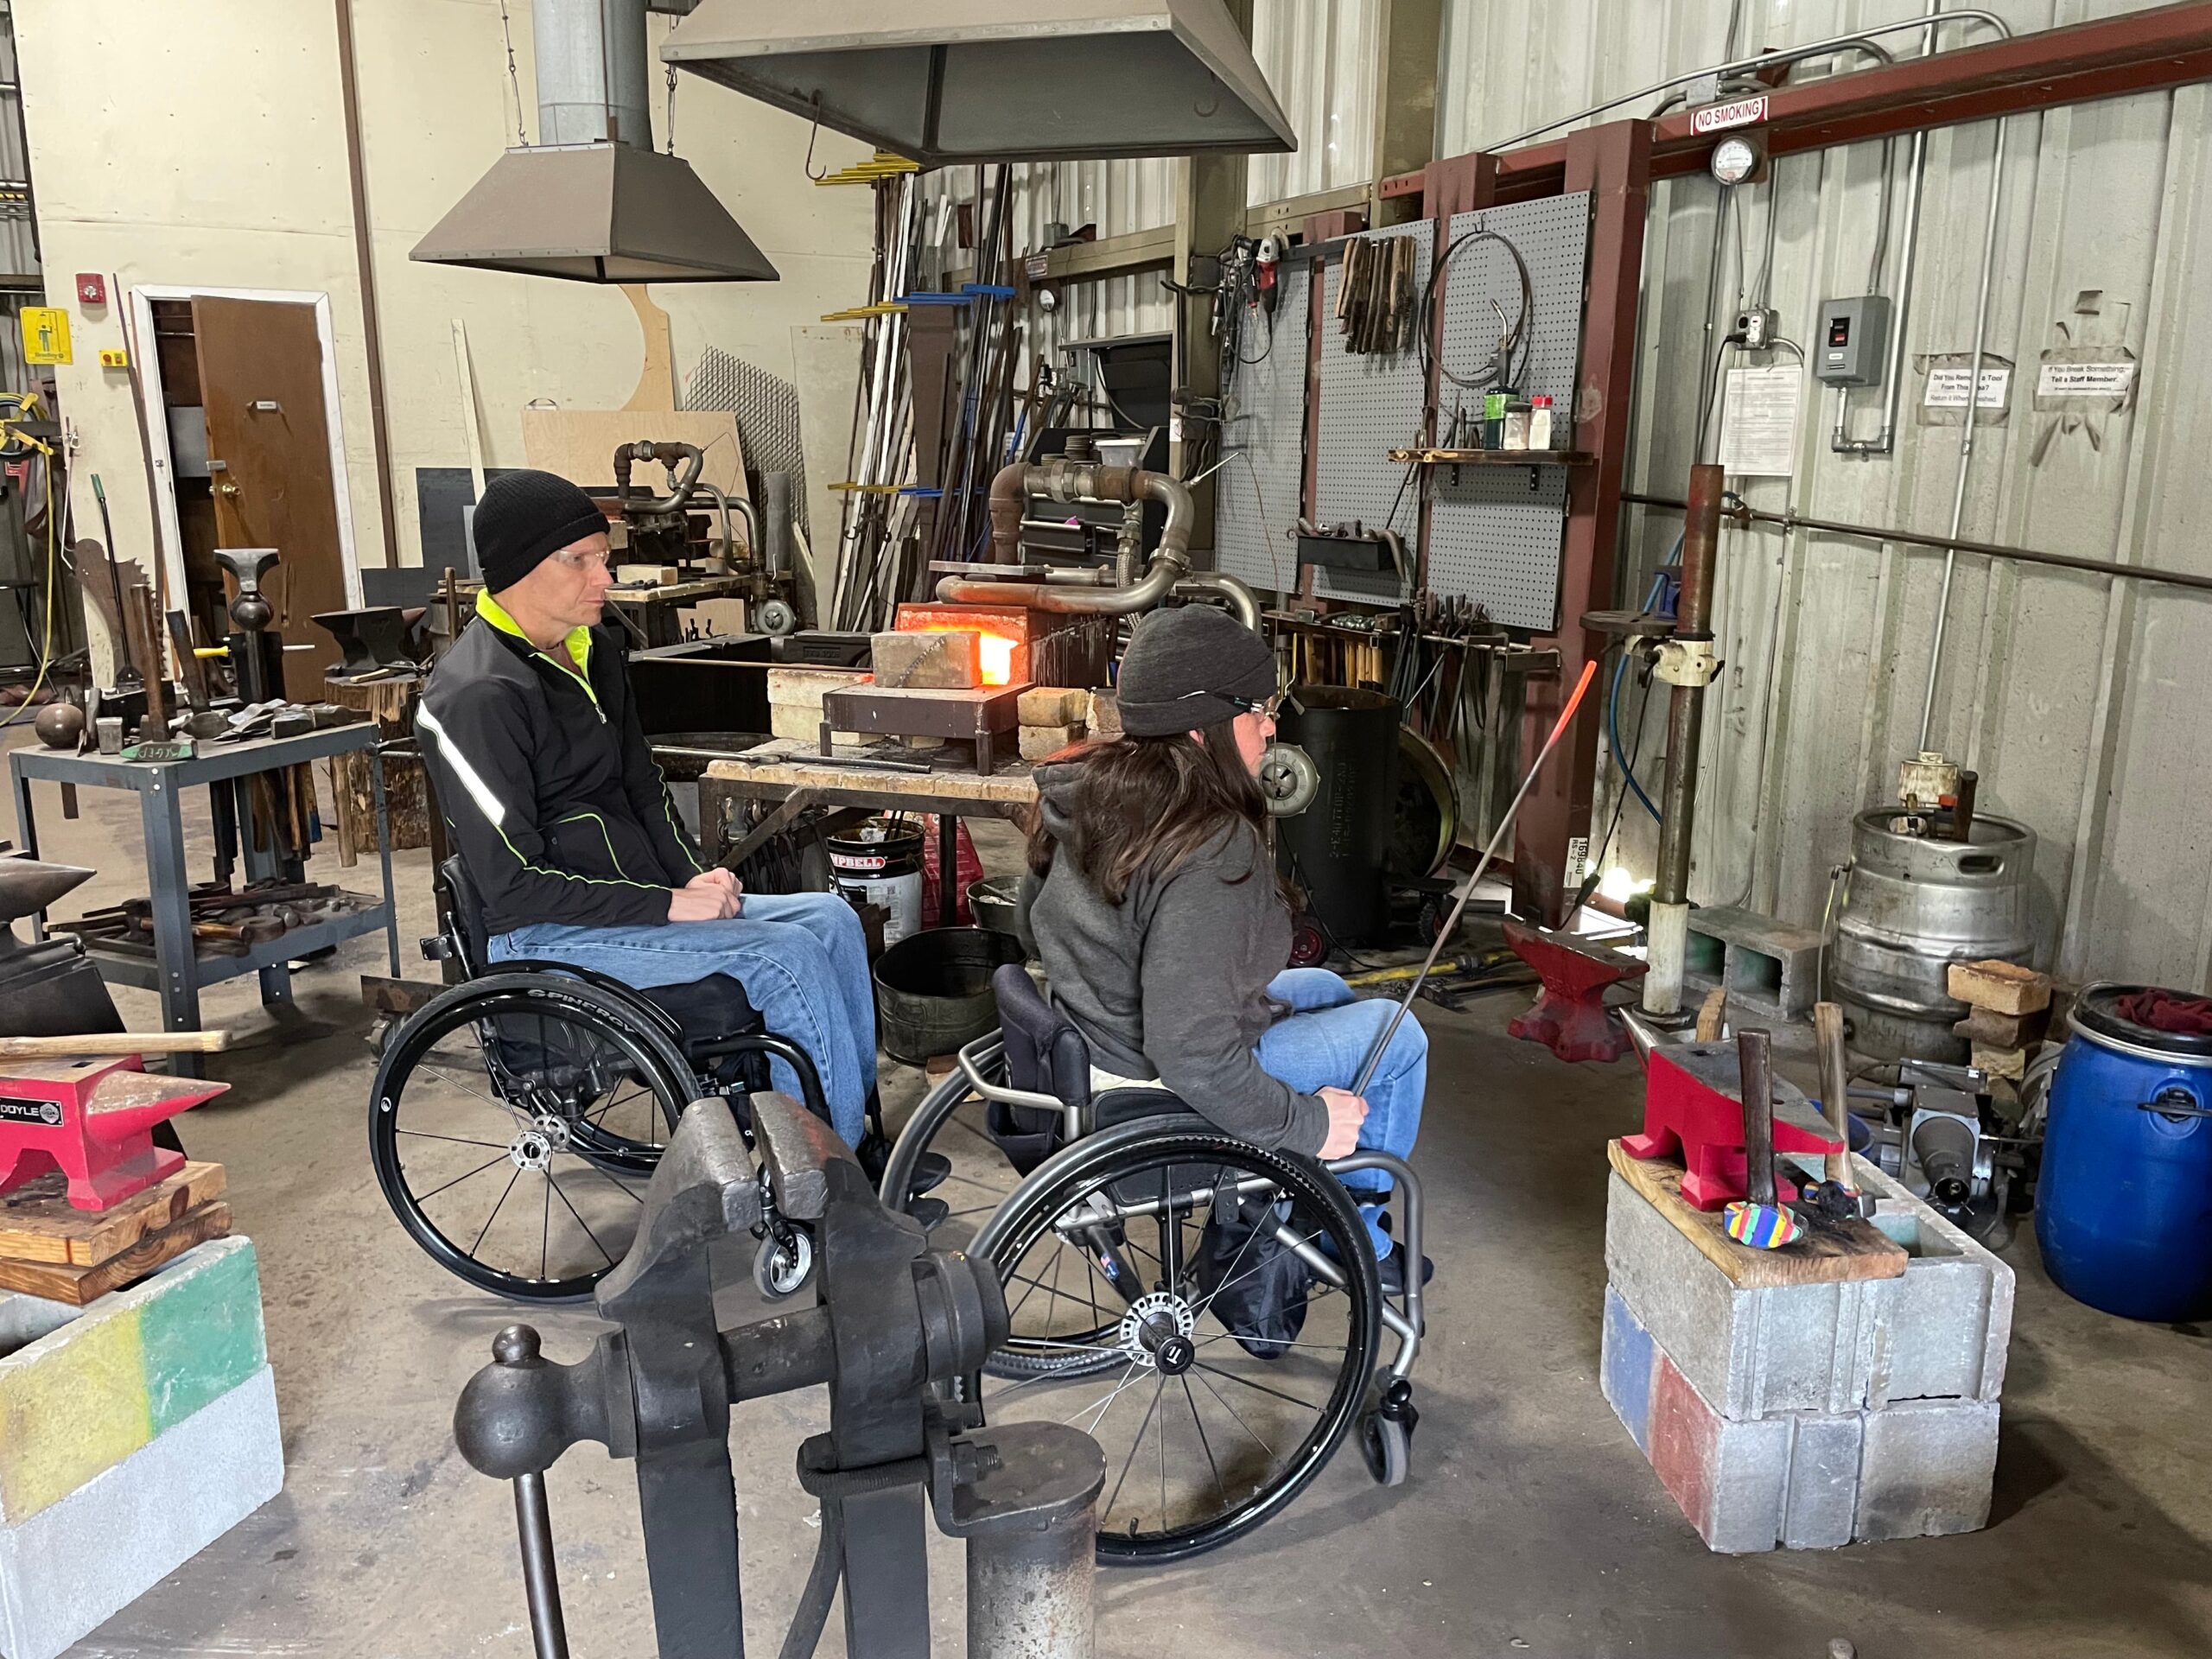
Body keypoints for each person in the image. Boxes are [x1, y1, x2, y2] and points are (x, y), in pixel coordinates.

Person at [415, 469, 882, 1151]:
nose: (604, 578)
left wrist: (693, 876)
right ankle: (824, 1183)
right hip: (542, 931)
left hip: (637, 899)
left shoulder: (593, 652)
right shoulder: (474, 696)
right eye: (579, 561)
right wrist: (665, 907)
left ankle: (849, 1140)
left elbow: (642, 787)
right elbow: (511, 883)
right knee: (785, 959)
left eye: (604, 558)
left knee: (833, 920)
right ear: (517, 571)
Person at [1024, 605, 1428, 1287]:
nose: (1271, 725)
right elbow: (1190, 1050)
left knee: (1326, 990)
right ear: (1200, 726)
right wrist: (1306, 1123)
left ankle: (1302, 1196)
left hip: (1088, 1049)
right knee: (1400, 1033)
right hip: (1151, 1089)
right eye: (1255, 708)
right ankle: (1351, 1229)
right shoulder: (1208, 842)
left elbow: (1039, 918)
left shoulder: (1102, 788)